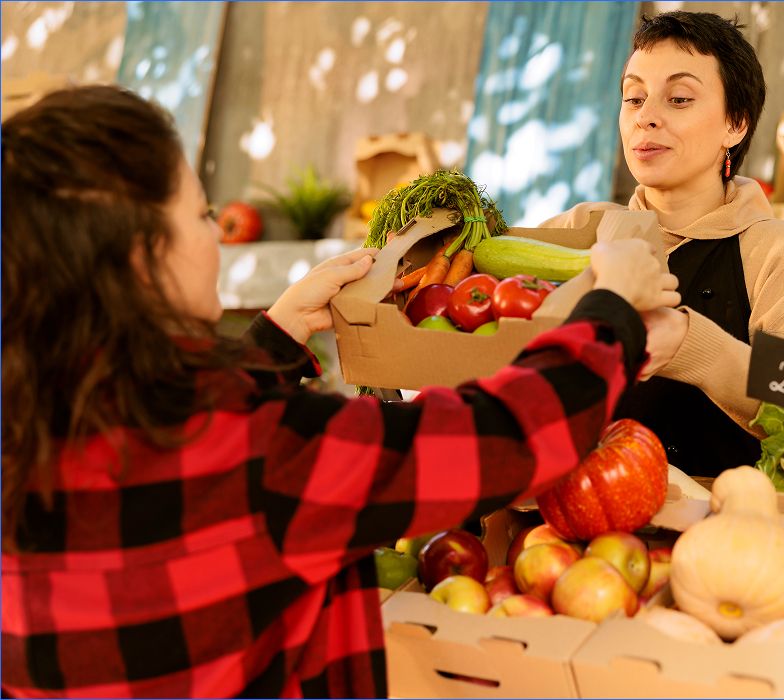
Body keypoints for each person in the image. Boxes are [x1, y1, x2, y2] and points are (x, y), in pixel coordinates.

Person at [1, 85, 678, 698]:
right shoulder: (261, 453)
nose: (215, 231)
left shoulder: (31, 422)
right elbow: (499, 439)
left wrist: (273, 342)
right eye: (202, 212)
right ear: (144, 258)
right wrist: (610, 308)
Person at [540, 11, 784, 478]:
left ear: (735, 124)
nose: (646, 117)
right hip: (561, 526)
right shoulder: (581, 227)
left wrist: (694, 346)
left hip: (719, 529)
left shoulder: (774, 248)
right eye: (633, 97)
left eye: (678, 98)